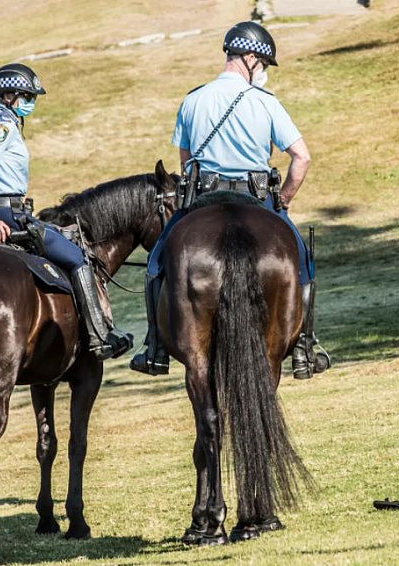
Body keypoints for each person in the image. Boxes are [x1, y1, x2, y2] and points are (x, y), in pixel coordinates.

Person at [129, 21, 330, 379]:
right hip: (256, 198)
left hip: (202, 198)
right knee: (302, 259)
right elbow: (302, 157)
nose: (264, 72)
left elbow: (185, 161)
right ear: (251, 58)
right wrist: (283, 198)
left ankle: (155, 347)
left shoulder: (192, 100)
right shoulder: (266, 103)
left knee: (157, 261)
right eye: (264, 65)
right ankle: (304, 347)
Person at [0, 63, 132, 360]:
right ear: (8, 95)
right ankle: (100, 335)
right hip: (8, 214)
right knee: (76, 257)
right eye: (27, 96)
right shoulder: (4, 127)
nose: (31, 102)